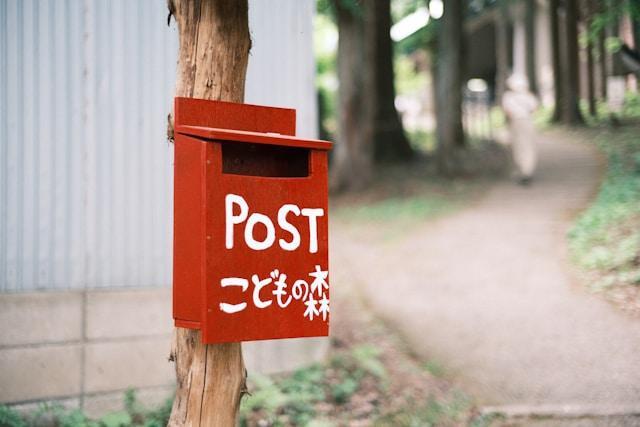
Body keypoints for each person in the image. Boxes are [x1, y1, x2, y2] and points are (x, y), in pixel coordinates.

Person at [502, 73, 539, 185]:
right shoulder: (528, 96)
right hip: (527, 121)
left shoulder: (508, 96)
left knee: (517, 146)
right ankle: (528, 171)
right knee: (529, 146)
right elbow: (534, 108)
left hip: (515, 122)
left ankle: (521, 170)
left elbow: (507, 111)